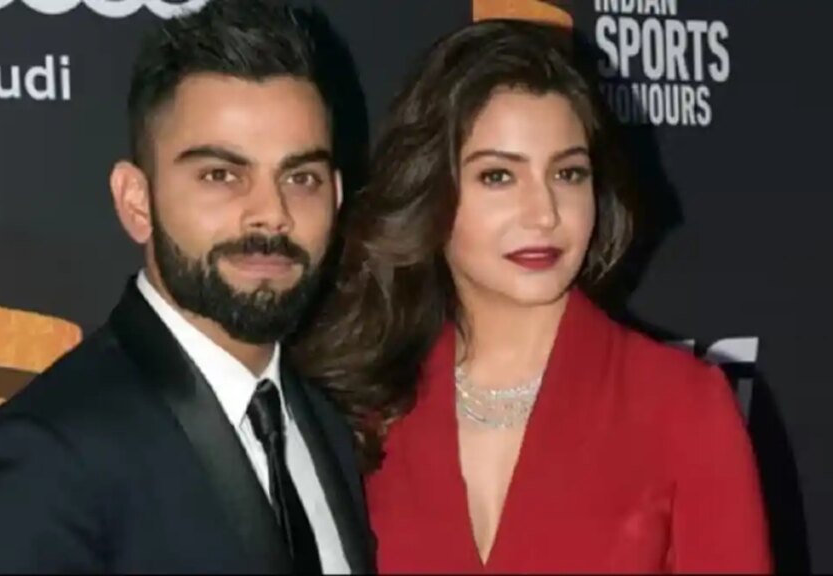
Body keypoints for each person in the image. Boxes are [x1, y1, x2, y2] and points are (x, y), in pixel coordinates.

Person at [293, 19, 772, 574]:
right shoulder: (361, 407)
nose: (544, 213)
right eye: (498, 176)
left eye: (568, 173)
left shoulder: (682, 405)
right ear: (429, 185)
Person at [0, 0, 373, 572]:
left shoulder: (324, 428)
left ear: (336, 196)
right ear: (136, 202)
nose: (272, 214)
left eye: (300, 177)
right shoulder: (41, 461)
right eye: (221, 175)